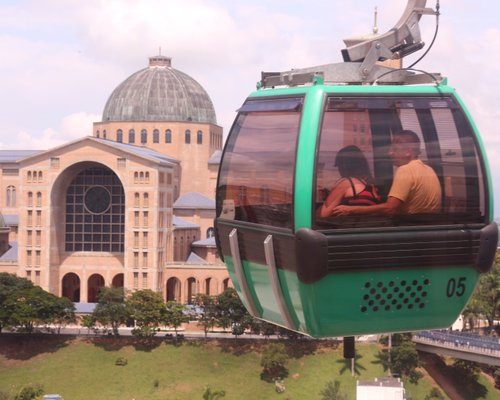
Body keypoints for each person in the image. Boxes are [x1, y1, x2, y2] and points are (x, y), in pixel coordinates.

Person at [331, 130, 441, 217]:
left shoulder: (405, 170)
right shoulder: (429, 170)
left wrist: (352, 210)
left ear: (408, 151)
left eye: (394, 149)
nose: (390, 153)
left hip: (409, 228)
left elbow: (390, 208)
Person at [319, 145, 381, 218]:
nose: (339, 169)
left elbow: (323, 214)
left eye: (339, 165)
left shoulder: (347, 183)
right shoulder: (370, 185)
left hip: (349, 227)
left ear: (344, 166)